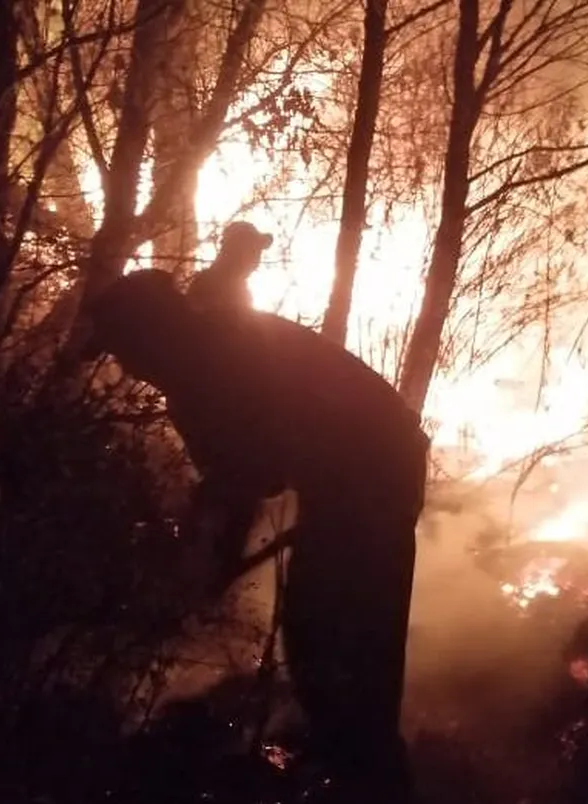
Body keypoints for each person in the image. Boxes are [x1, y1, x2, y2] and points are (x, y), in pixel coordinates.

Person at [86, 268, 428, 801]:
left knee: (343, 647)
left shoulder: (213, 363)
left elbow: (253, 475)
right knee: (325, 642)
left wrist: (212, 560)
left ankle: (372, 775)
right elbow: (251, 474)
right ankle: (360, 765)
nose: (127, 366)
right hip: (361, 475)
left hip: (372, 480)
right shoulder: (212, 350)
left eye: (125, 348)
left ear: (150, 331)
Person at [185, 221, 274, 312]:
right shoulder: (205, 284)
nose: (254, 261)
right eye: (251, 251)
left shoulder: (243, 296)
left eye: (255, 253)